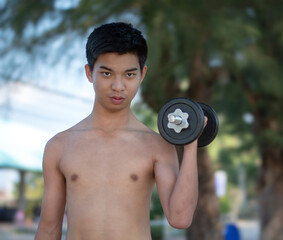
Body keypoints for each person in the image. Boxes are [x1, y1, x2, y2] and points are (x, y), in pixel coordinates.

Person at [35, 22, 203, 240]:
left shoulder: (157, 145)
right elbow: (49, 228)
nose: (118, 86)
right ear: (89, 72)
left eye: (129, 75)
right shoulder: (59, 146)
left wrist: (190, 144)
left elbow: (180, 218)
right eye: (106, 74)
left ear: (142, 74)